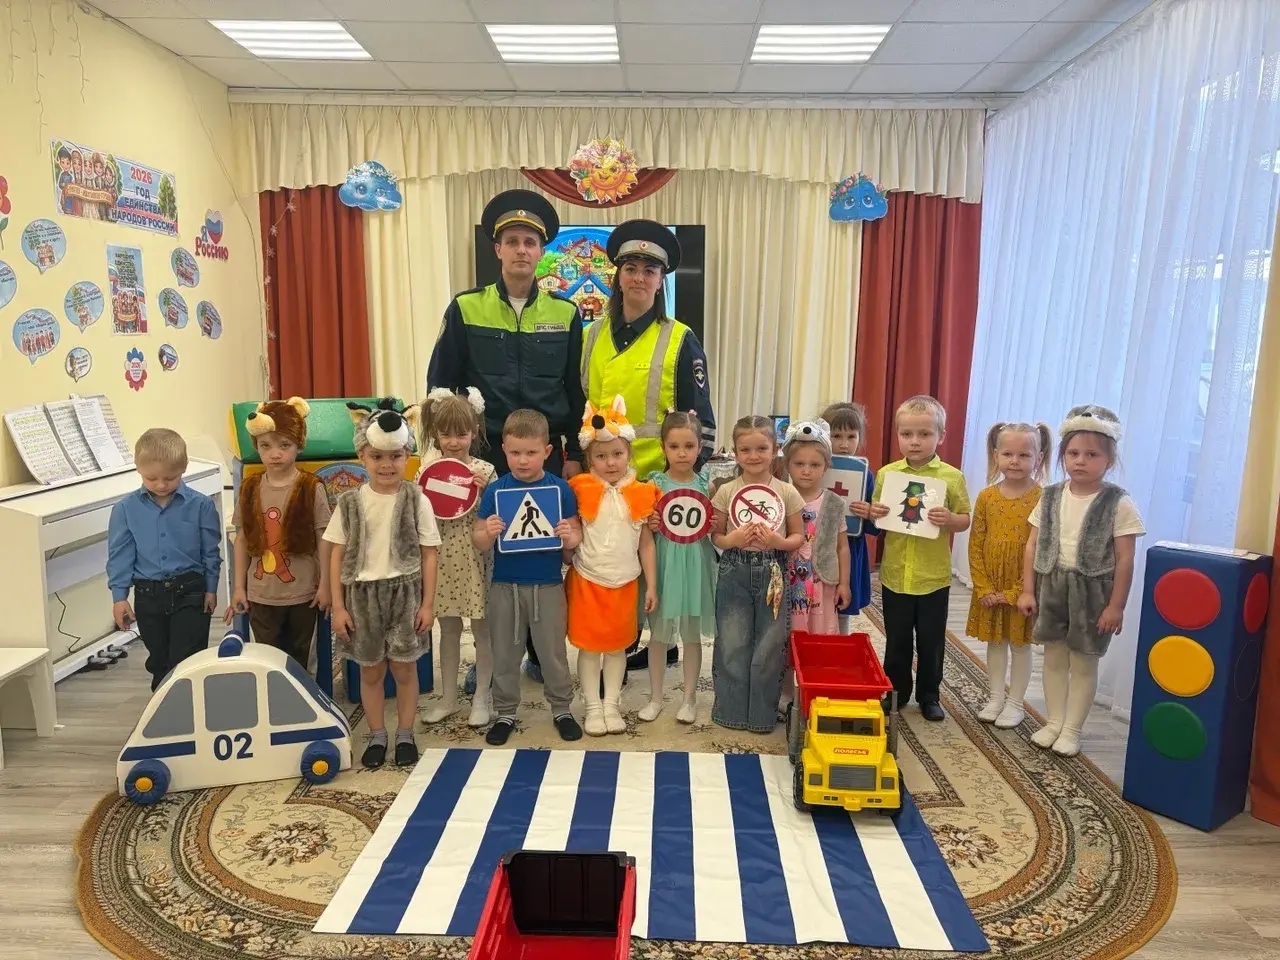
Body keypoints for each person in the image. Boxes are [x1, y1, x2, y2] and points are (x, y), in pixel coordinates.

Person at [428, 189, 584, 686]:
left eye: (530, 242)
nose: (521, 250)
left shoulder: (566, 313)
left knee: (541, 549)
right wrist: (447, 454)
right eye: (512, 241)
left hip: (543, 453)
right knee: (488, 555)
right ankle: (491, 657)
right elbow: (441, 385)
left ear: (542, 252)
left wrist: (574, 454)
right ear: (497, 249)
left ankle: (539, 653)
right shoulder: (466, 307)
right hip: (485, 453)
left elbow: (575, 390)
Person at [580, 219, 717, 672]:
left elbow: (701, 417)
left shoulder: (679, 338)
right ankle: (616, 640)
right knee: (608, 561)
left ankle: (661, 639)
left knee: (655, 564)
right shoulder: (592, 335)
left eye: (650, 270)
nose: (639, 277)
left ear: (661, 282)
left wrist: (690, 480)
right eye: (631, 268)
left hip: (658, 478)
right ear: (618, 275)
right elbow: (581, 401)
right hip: (604, 474)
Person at [1018, 406, 1144, 757]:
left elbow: (1125, 559)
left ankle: (1072, 728)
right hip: (1052, 586)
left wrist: (1116, 606)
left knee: (1084, 661)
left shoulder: (1119, 503)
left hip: (1093, 594)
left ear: (1109, 460)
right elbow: (1031, 545)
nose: (1081, 461)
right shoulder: (1050, 495)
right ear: (1062, 455)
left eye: (1092, 455)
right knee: (1054, 658)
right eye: (1073, 453)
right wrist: (1028, 589)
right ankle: (1055, 721)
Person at [324, 400, 440, 769]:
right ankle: (377, 734)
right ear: (362, 456)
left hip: (405, 594)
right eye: (376, 456)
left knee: (405, 669)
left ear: (407, 456)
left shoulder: (417, 499)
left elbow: (430, 553)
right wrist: (338, 606)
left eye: (395, 456)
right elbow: (336, 554)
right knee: (371, 670)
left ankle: (405, 733)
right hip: (361, 597)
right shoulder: (349, 502)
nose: (386, 464)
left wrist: (427, 604)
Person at [473, 409, 584, 745]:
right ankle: (505, 712)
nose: (522, 460)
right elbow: (478, 539)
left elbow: (575, 536)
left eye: (531, 452)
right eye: (515, 452)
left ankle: (562, 709)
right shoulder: (495, 491)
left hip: (548, 585)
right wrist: (489, 533)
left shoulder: (560, 489)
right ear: (504, 450)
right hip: (505, 585)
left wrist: (568, 535)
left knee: (552, 652)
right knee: (505, 652)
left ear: (547, 451)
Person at [867, 395, 971, 722]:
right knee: (897, 639)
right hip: (896, 574)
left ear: (940, 436)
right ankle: (896, 691)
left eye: (924, 434)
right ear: (897, 435)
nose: (914, 441)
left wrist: (950, 519)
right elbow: (877, 516)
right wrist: (874, 512)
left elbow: (965, 518)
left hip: (933, 577)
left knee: (931, 641)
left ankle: (929, 695)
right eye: (907, 434)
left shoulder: (951, 477)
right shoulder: (887, 474)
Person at [566, 397, 659, 735]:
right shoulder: (578, 489)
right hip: (588, 579)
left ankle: (611, 703)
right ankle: (592, 705)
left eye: (617, 454)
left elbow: (646, 543)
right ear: (589, 459)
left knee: (618, 647)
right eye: (601, 456)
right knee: (590, 648)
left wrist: (652, 585)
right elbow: (571, 529)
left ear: (629, 454)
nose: (610, 462)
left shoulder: (643, 493)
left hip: (625, 582)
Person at [710, 415, 805, 732]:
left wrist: (779, 542)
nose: (753, 456)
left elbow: (798, 536)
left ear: (775, 449)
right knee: (732, 642)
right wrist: (731, 540)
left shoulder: (787, 492)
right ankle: (731, 712)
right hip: (734, 568)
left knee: (770, 643)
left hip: (773, 570)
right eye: (745, 449)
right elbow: (716, 536)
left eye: (762, 448)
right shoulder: (726, 491)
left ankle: (762, 715)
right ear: (735, 452)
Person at [107, 428, 221, 691]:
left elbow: (210, 551)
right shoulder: (125, 509)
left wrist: (211, 588)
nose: (160, 484)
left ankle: (190, 709)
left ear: (183, 468)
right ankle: (164, 710)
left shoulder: (201, 505)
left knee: (188, 660)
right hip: (149, 595)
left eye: (170, 478)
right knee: (159, 661)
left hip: (190, 591)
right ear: (138, 469)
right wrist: (119, 597)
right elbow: (120, 555)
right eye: (151, 478)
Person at [226, 397, 332, 667]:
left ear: (298, 445)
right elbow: (241, 540)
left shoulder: (311, 487)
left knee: (299, 660)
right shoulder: (250, 488)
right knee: (267, 661)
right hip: (261, 595)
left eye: (284, 445)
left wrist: (325, 585)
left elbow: (324, 539)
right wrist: (239, 588)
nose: (275, 454)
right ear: (257, 447)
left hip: (303, 594)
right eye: (266, 446)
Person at [415, 387, 496, 728]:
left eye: (461, 434)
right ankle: (448, 698)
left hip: (477, 559)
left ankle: (482, 698)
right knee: (447, 630)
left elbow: (496, 516)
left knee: (483, 630)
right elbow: (420, 516)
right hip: (441, 559)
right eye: (445, 434)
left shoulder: (485, 470)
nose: (453, 442)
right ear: (435, 434)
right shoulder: (426, 471)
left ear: (474, 432)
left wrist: (485, 491)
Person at [967, 421, 1052, 728]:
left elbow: (1041, 548)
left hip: (1024, 585)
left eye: (1024, 455)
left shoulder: (1044, 498)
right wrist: (984, 587)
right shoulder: (986, 497)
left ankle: (1015, 703)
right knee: (995, 643)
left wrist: (1018, 591)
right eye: (1008, 454)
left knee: (1019, 645)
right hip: (990, 585)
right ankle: (995, 698)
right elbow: (975, 544)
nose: (1015, 461)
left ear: (1038, 458)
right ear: (996, 455)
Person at [640, 411, 717, 724]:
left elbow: (713, 525)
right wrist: (650, 522)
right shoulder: (655, 484)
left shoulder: (706, 484)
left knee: (691, 634)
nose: (682, 453)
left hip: (695, 564)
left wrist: (716, 523)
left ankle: (689, 698)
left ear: (699, 447)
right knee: (658, 635)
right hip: (664, 563)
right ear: (663, 448)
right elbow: (643, 528)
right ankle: (656, 697)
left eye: (689, 446)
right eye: (674, 446)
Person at [822, 401, 876, 630]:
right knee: (815, 600)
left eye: (851, 437)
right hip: (818, 545)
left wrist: (869, 513)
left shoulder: (866, 474)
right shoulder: (813, 467)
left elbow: (875, 521)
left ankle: (841, 644)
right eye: (836, 436)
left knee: (843, 603)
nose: (844, 444)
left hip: (850, 547)